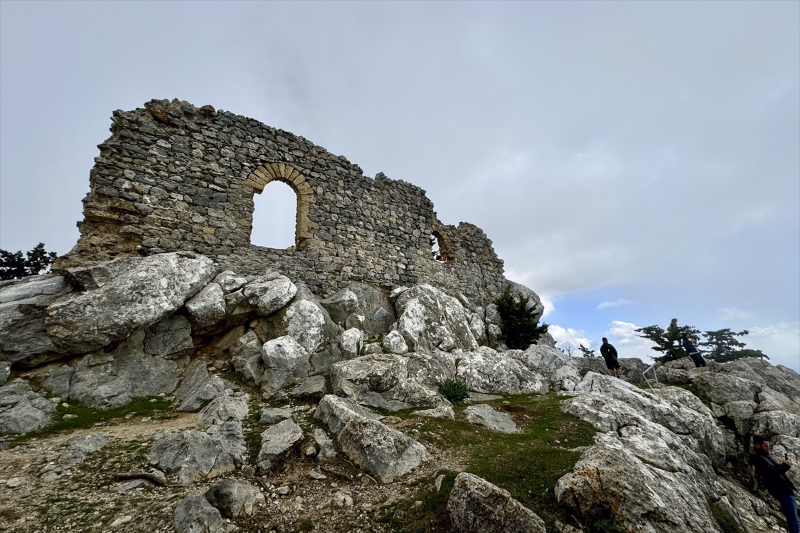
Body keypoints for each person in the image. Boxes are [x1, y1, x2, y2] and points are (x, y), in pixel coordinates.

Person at [751, 436, 798, 533]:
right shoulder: (758, 459)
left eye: (769, 446)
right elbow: (772, 473)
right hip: (781, 491)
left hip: (786, 490)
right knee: (792, 518)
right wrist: (785, 465)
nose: (768, 448)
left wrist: (784, 464)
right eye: (766, 446)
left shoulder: (766, 456)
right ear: (757, 445)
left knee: (793, 518)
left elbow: (776, 469)